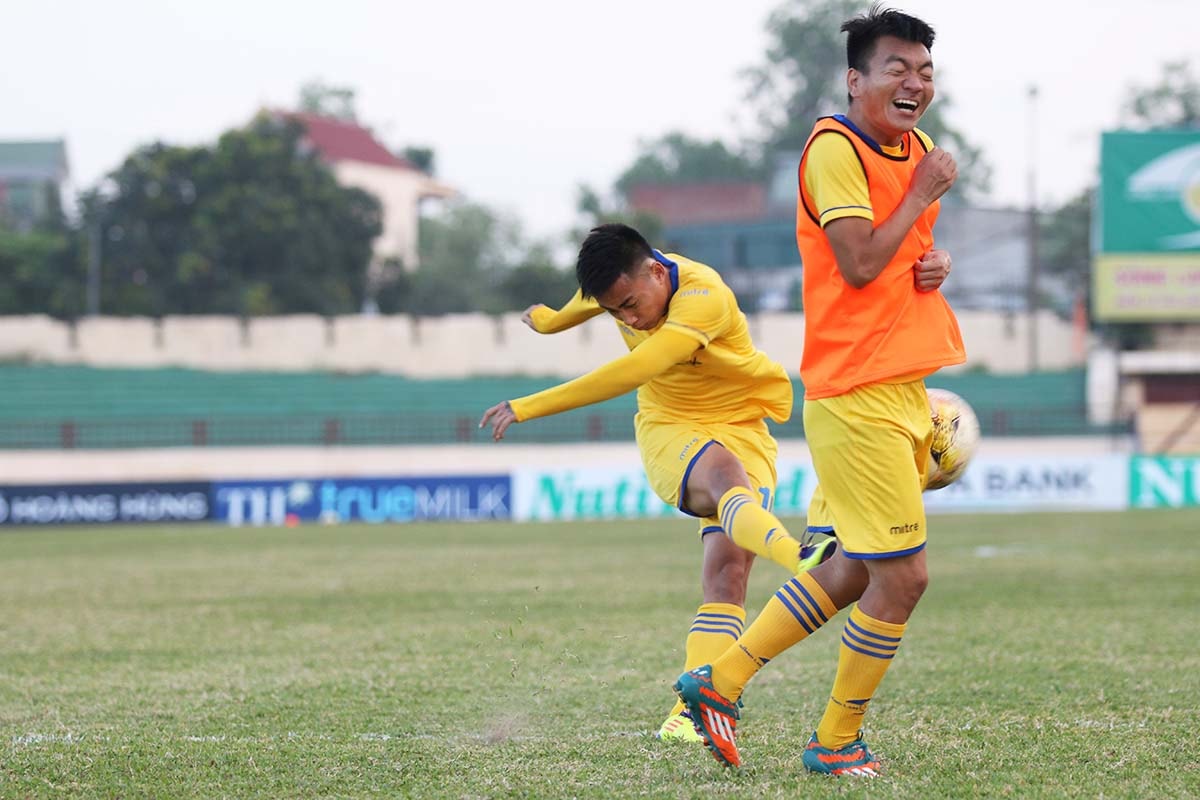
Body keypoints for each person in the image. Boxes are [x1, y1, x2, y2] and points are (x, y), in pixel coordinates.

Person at [674, 4, 964, 775]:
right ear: (856, 79)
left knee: (853, 568)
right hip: (856, 388)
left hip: (902, 386)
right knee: (905, 576)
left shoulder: (919, 148)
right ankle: (835, 743)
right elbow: (861, 262)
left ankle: (719, 681)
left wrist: (935, 267)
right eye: (897, 68)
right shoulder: (834, 149)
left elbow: (903, 261)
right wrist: (924, 194)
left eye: (925, 71)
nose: (915, 83)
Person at [479, 222, 836, 742]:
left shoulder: (703, 294)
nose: (627, 317)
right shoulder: (620, 287)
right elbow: (586, 314)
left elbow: (635, 366)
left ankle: (689, 714)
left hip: (742, 423)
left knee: (728, 575)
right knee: (722, 476)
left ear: (653, 269)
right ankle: (797, 557)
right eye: (614, 311)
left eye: (629, 304)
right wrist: (550, 322)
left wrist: (528, 403)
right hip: (672, 427)